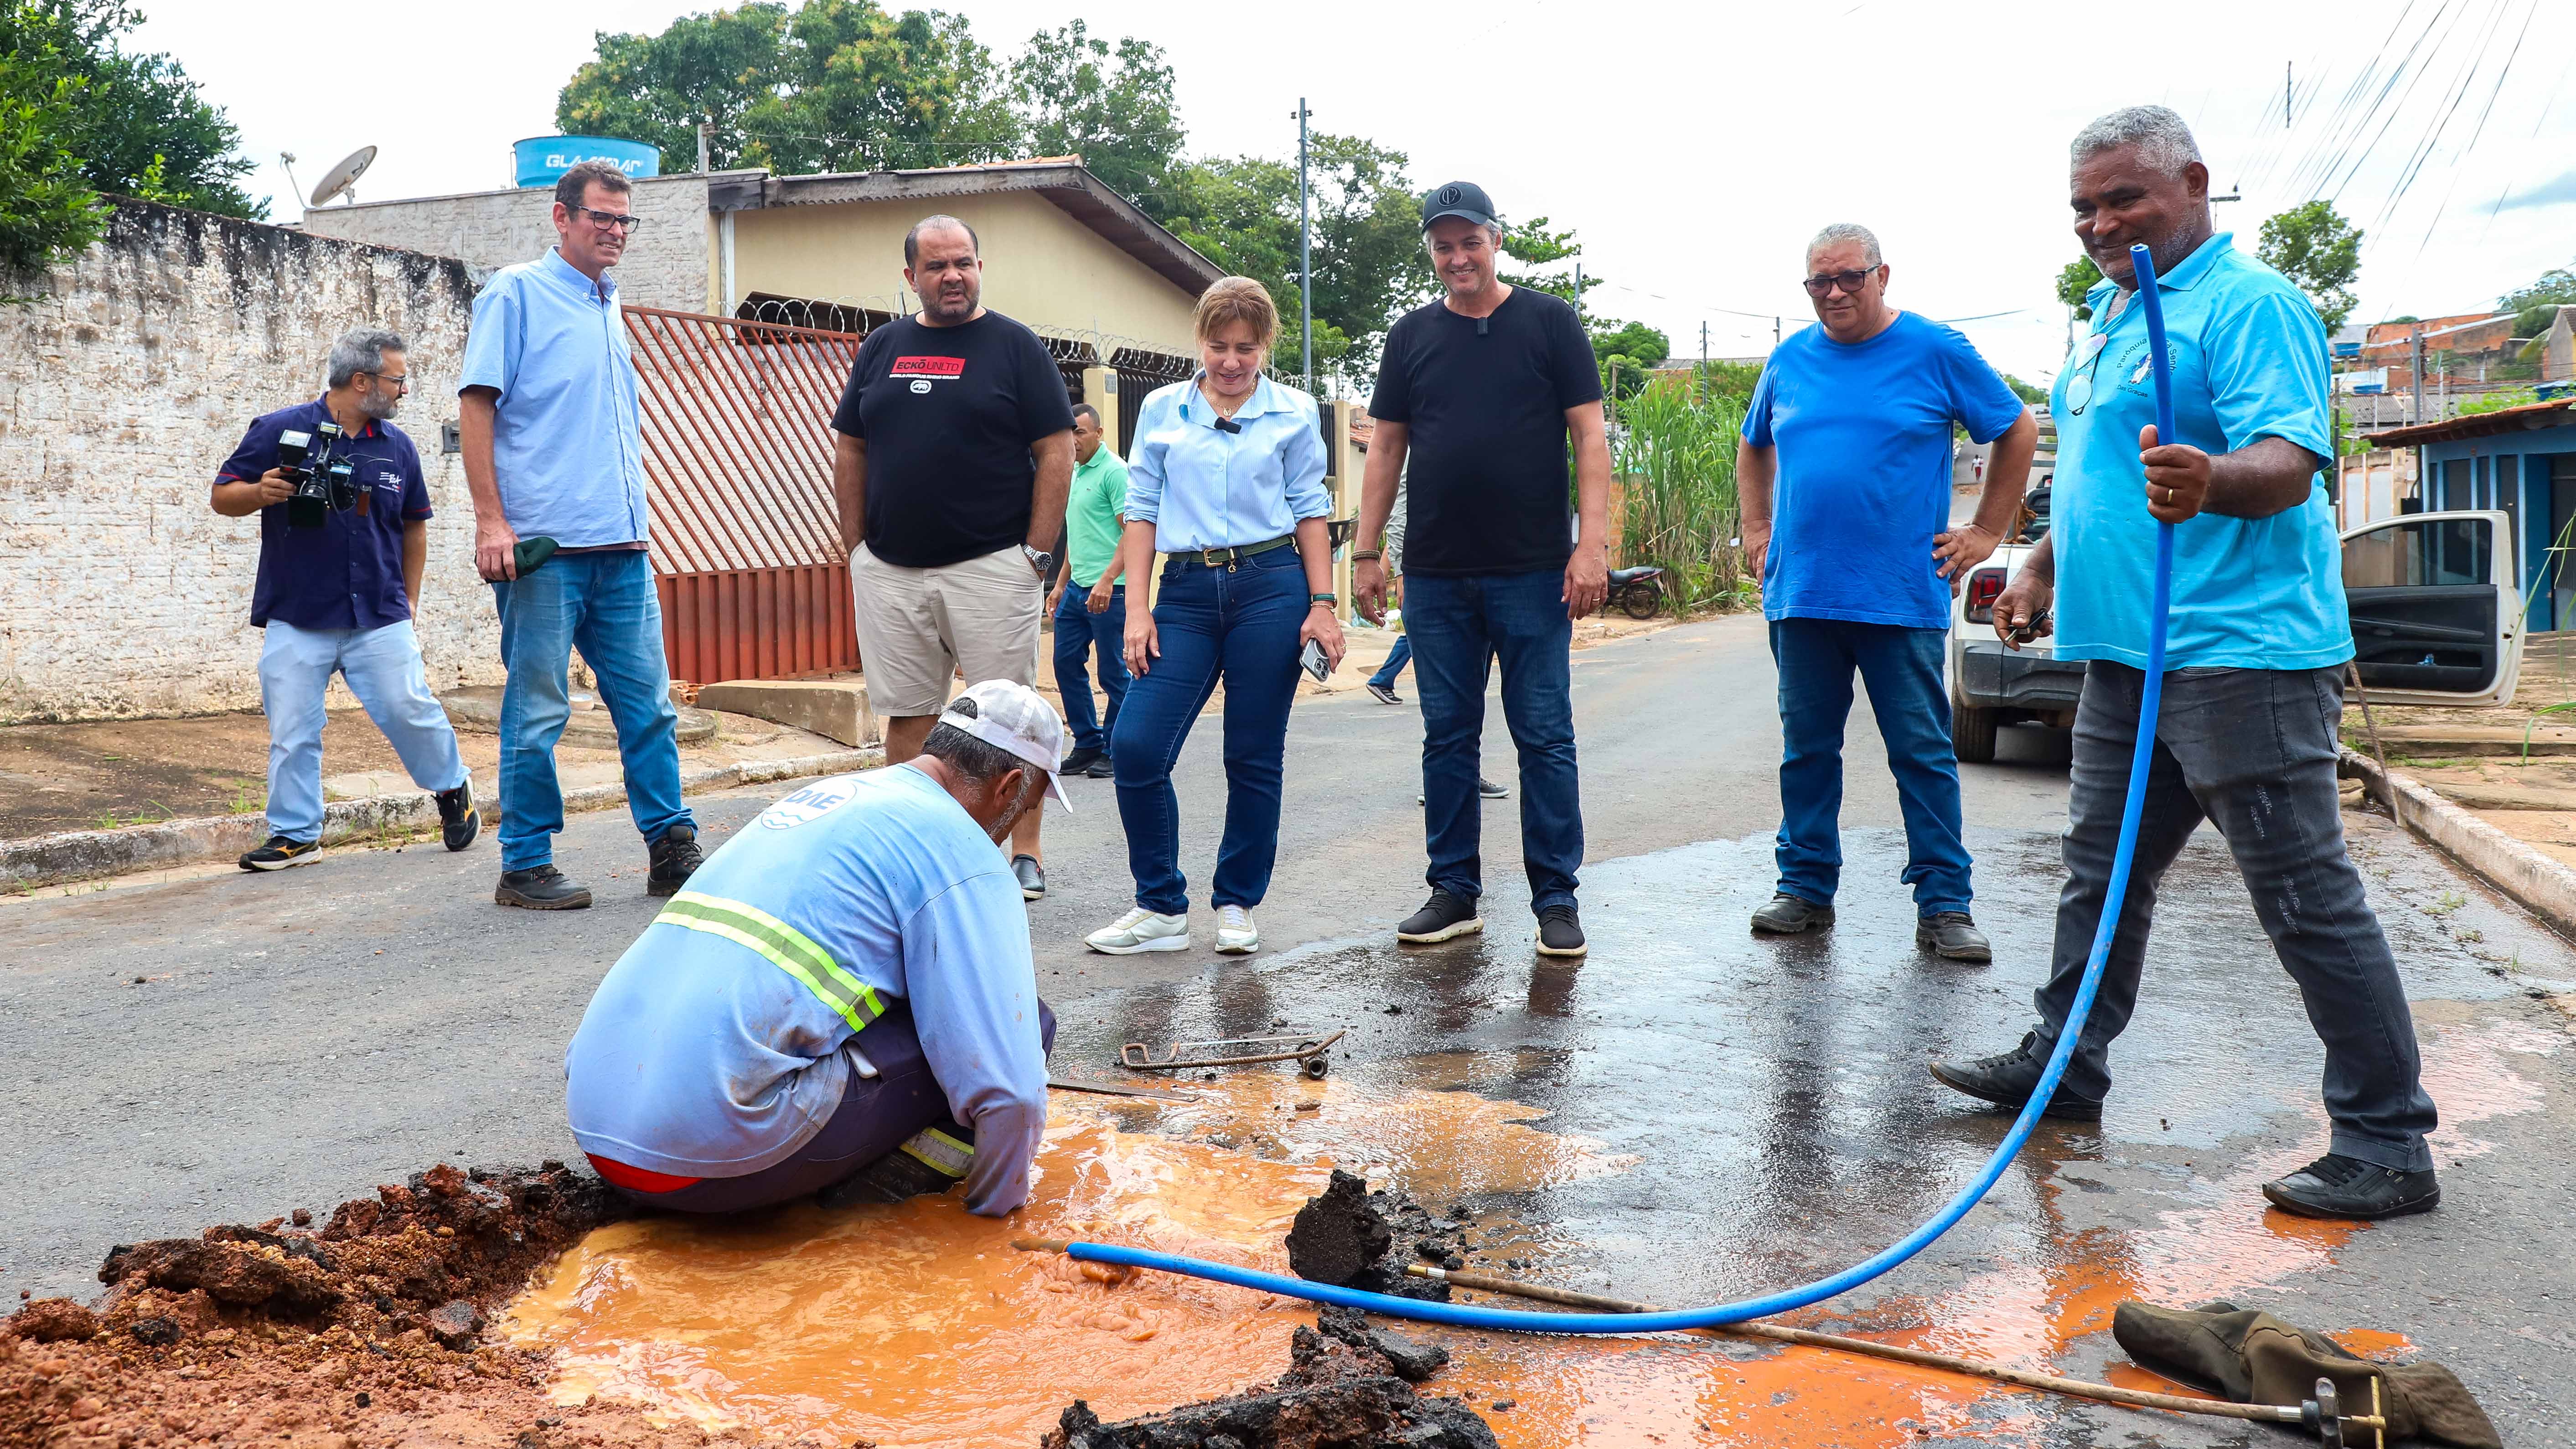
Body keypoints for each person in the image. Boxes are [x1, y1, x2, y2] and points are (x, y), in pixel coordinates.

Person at [1933, 106, 2443, 1221]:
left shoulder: (2250, 303)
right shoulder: (2110, 313)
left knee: (2304, 896)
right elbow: (2111, 477)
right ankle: (2064, 1066)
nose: (2102, 222)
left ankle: (2386, 1141)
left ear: (2194, 184)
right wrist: (2038, 568)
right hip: (2126, 657)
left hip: (2238, 655)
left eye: (2124, 198)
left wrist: (2215, 477)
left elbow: (2290, 458)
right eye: (2085, 206)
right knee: (2101, 875)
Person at [564, 680, 1064, 1217]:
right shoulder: (963, 851)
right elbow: (1012, 1094)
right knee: (1023, 1025)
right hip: (703, 1167)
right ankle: (879, 1201)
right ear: (1009, 788)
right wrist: (997, 1223)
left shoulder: (828, 797)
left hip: (599, 1129)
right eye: (1031, 804)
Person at [1738, 223, 2038, 961]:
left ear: (1883, 275)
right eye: (1820, 282)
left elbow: (2017, 428)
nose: (1835, 293)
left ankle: (1944, 903)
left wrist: (1987, 532)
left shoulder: (1935, 351)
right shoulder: (1789, 360)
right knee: (1807, 749)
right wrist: (1754, 524)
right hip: (1802, 594)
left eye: (1850, 277)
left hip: (1899, 596)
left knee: (1923, 753)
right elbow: (1753, 445)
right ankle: (1805, 889)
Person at [1354, 181, 1610, 958]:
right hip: (1436, 573)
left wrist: (1590, 544)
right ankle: (1454, 891)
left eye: (1470, 241)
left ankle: (1556, 900)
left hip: (1533, 570)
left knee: (1544, 736)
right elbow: (1387, 447)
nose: (1458, 256)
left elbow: (1590, 441)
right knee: (1447, 737)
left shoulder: (1549, 322)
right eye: (1443, 244)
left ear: (1496, 241)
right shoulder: (1410, 337)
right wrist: (1367, 552)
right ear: (1432, 251)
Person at [459, 160, 699, 911]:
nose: (615, 231)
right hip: (546, 552)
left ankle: (672, 845)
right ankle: (524, 864)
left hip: (623, 548)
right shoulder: (517, 293)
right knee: (538, 709)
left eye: (625, 220)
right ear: (561, 218)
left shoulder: (608, 303)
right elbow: (477, 406)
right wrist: (492, 521)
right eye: (601, 217)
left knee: (650, 707)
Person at [1084, 278, 1344, 958]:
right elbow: (1140, 509)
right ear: (1198, 339)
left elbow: (1310, 510)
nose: (1230, 362)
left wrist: (1323, 605)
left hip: (1272, 585)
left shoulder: (1292, 411)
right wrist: (1137, 609)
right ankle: (1160, 906)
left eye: (1246, 349)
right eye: (1218, 346)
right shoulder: (1163, 410)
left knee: (1252, 752)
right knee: (1136, 745)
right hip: (1187, 591)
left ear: (1265, 347)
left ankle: (1236, 901)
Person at [831, 215, 1076, 901]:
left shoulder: (1015, 346)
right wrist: (856, 547)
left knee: (1010, 718)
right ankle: (915, 854)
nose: (952, 276)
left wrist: (1036, 550)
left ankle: (1022, 853)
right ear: (910, 277)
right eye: (936, 266)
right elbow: (852, 446)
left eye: (963, 262)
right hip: (891, 568)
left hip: (991, 565)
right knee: (908, 717)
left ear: (978, 267)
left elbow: (1055, 450)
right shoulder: (882, 347)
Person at [212, 329, 480, 869]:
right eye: (396, 379)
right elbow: (223, 496)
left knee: (411, 711)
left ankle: (452, 789)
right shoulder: (279, 429)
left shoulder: (398, 447)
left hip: (379, 614)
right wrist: (258, 492)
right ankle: (295, 835)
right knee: (292, 732)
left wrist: (409, 603)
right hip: (298, 613)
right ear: (362, 382)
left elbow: (415, 527)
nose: (404, 390)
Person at [1049, 403, 1129, 778]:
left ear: (1099, 434)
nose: (1074, 440)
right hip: (1078, 590)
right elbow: (1076, 537)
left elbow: (1134, 534)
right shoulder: (1075, 472)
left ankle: (1116, 748)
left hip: (1111, 592)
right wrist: (1061, 584)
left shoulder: (1115, 473)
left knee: (1114, 674)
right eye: (1070, 433)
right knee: (1065, 663)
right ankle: (1087, 743)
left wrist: (1108, 579)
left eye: (1080, 432)